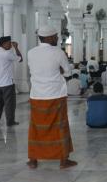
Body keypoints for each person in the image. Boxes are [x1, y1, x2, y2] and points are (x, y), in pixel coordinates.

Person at [27, 25, 76, 169]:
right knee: (59, 126)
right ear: (48, 37)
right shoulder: (58, 53)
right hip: (56, 95)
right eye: (55, 36)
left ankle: (33, 160)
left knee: (36, 127)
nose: (57, 38)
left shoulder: (31, 53)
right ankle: (63, 161)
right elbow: (67, 72)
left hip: (37, 95)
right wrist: (59, 70)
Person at [0, 36, 22, 126]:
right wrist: (16, 48)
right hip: (7, 84)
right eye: (9, 43)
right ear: (4, 44)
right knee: (9, 104)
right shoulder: (7, 54)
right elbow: (20, 59)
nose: (11, 45)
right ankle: (10, 122)